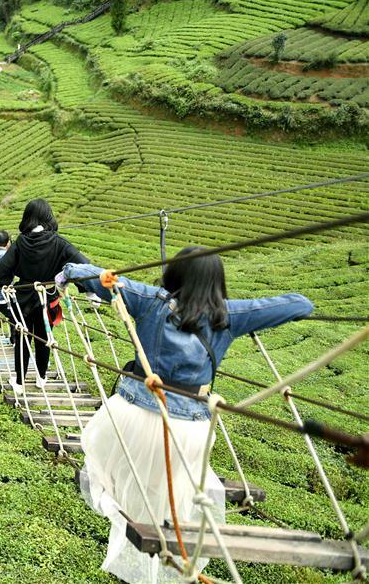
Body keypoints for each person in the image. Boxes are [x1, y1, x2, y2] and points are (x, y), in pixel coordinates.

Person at [57, 247, 314, 584]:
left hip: (131, 415)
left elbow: (87, 273)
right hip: (186, 431)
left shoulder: (150, 299)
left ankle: (134, 554)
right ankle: (165, 569)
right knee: (170, 503)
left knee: (123, 485)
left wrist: (66, 275)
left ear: (173, 274)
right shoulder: (230, 315)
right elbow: (301, 304)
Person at [0, 199, 88, 393]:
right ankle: (41, 378)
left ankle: (19, 381)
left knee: (23, 338)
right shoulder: (59, 242)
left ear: (28, 217)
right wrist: (88, 288)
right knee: (43, 339)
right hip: (47, 298)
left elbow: (0, 270)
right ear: (48, 216)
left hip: (23, 299)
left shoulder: (20, 242)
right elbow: (84, 265)